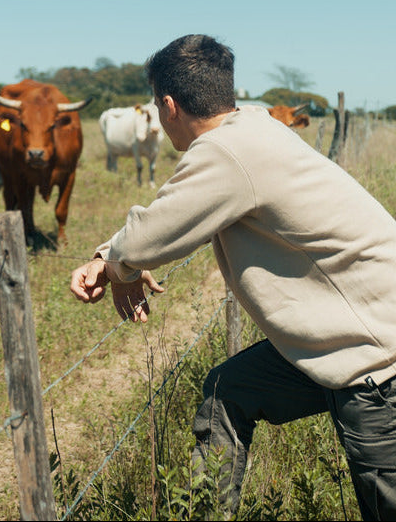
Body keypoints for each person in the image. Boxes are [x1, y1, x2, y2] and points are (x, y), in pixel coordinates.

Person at [71, 33, 396, 521]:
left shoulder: (227, 152)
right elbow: (170, 225)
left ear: (168, 105)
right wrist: (120, 261)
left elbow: (149, 236)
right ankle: (206, 511)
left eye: (158, 106)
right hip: (344, 339)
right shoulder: (255, 128)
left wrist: (113, 263)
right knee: (229, 390)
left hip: (375, 359)